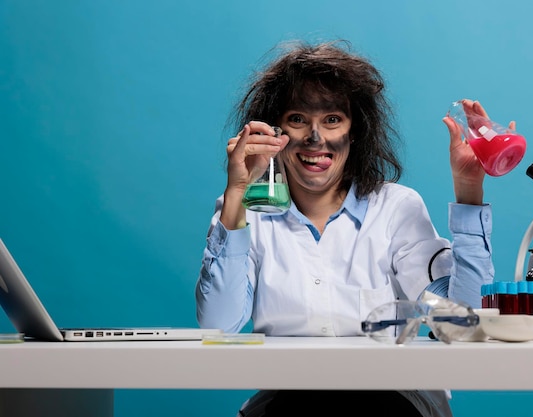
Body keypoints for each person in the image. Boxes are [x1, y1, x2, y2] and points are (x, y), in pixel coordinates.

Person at [195, 40, 514, 416]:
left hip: (393, 398)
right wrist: (236, 192)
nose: (316, 138)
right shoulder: (248, 212)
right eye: (298, 119)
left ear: (355, 130)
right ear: (272, 131)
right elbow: (219, 326)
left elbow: (462, 324)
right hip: (290, 399)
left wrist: (469, 190)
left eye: (332, 119)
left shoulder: (396, 207)